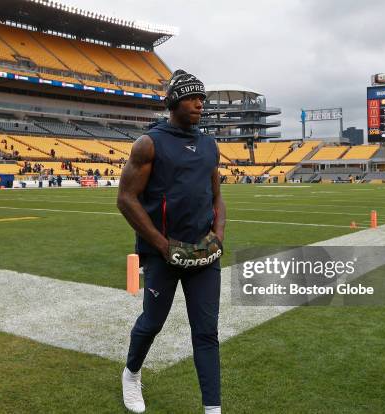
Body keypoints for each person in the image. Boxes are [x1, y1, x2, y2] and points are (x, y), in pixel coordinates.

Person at [117, 69, 226, 414]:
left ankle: (213, 409)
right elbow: (126, 198)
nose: (200, 104)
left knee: (206, 332)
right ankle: (132, 375)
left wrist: (219, 236)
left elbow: (217, 198)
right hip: (162, 254)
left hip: (204, 255)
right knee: (152, 322)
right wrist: (162, 245)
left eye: (202, 98)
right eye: (193, 97)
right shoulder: (149, 143)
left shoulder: (209, 145)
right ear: (174, 101)